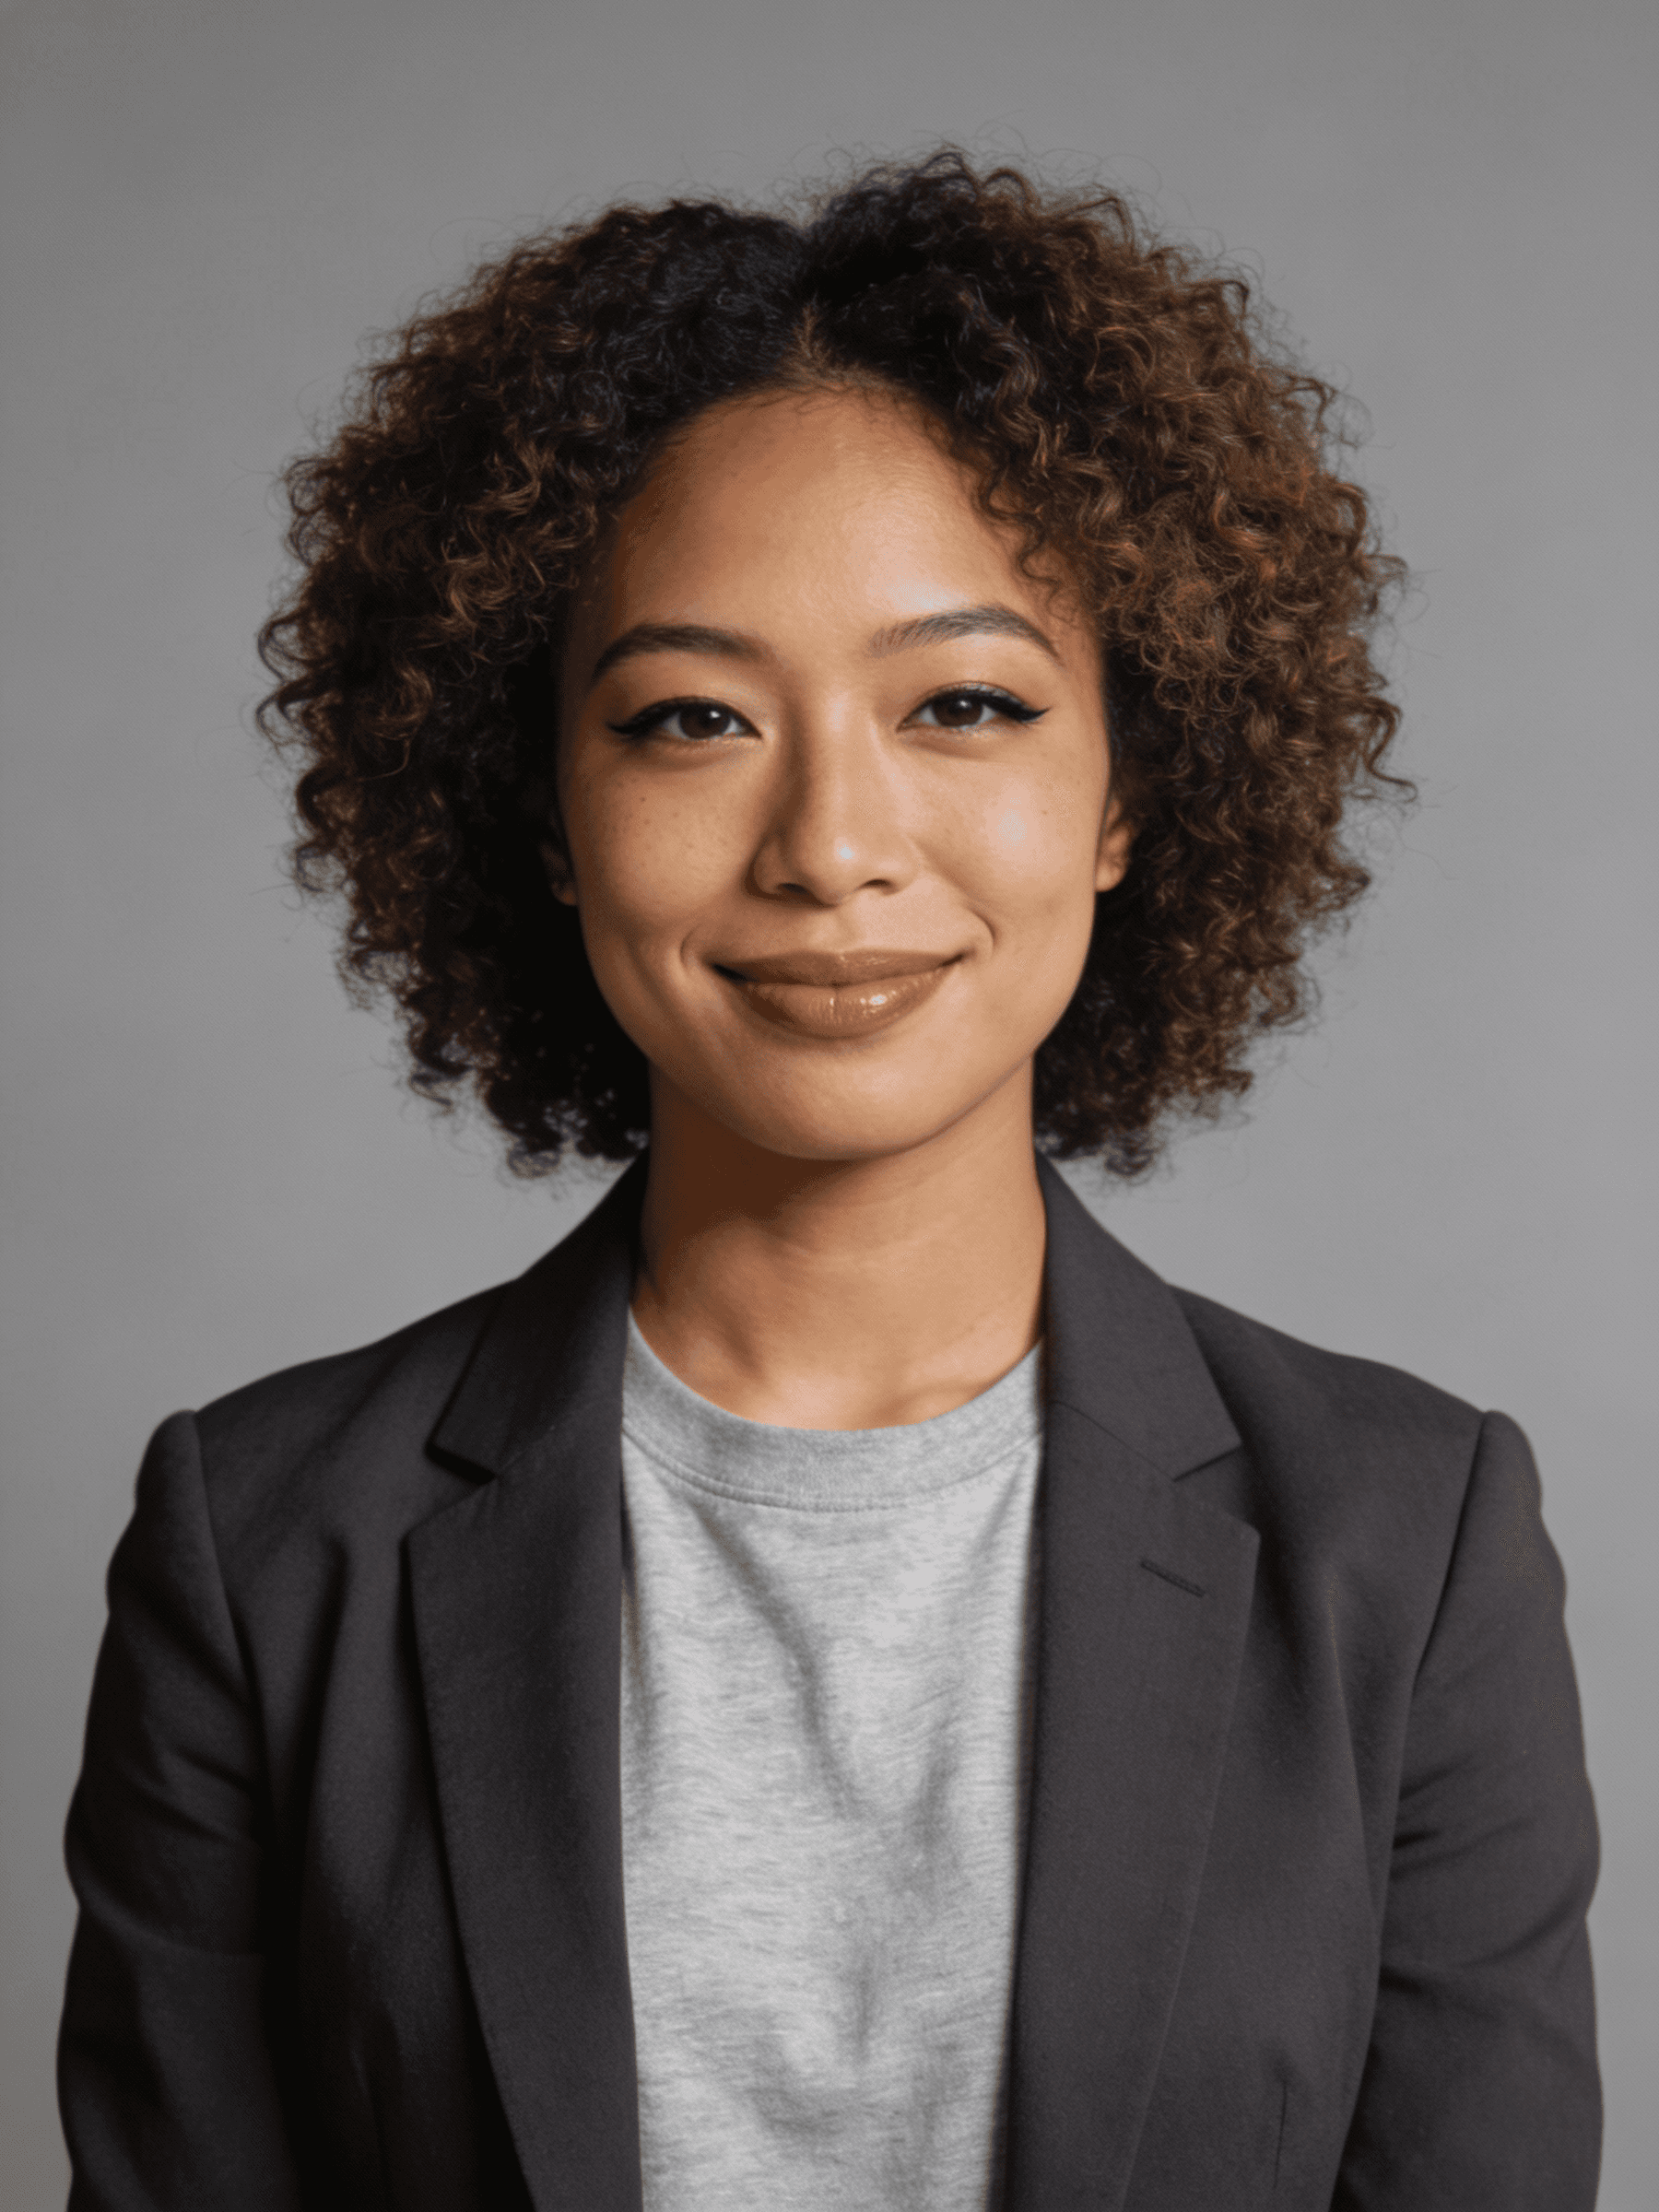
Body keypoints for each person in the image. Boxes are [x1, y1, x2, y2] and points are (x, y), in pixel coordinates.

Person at [57, 152, 1600, 2211]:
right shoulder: (264, 1552)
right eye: (692, 718)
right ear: (546, 813)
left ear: (1128, 791)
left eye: (964, 703)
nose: (831, 847)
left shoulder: (1409, 1551)